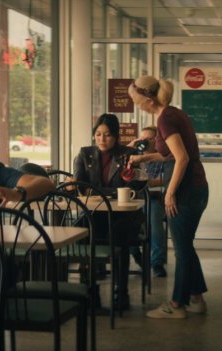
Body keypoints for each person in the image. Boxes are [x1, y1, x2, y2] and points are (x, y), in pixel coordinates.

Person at [129, 76, 209, 319]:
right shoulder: (173, 114)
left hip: (187, 190)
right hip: (196, 187)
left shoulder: (165, 119)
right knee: (185, 246)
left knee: (182, 250)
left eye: (137, 100)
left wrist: (170, 193)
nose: (136, 105)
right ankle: (196, 298)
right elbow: (169, 155)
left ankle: (176, 305)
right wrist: (143, 158)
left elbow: (181, 158)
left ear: (149, 99)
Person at [72, 113, 146, 310]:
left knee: (119, 233)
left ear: (116, 136)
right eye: (98, 134)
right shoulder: (84, 154)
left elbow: (136, 187)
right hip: (94, 214)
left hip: (124, 215)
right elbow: (81, 187)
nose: (102, 140)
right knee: (80, 229)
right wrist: (114, 192)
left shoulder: (129, 154)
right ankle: (89, 290)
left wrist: (99, 191)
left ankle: (120, 293)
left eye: (107, 135)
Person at [128, 126, 170, 278]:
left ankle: (157, 262)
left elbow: (168, 178)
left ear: (157, 140)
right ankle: (135, 253)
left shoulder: (161, 156)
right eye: (143, 138)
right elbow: (117, 161)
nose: (146, 142)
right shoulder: (133, 155)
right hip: (134, 198)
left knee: (154, 221)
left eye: (150, 139)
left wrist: (151, 182)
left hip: (153, 197)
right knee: (125, 221)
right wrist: (132, 145)